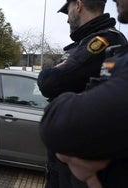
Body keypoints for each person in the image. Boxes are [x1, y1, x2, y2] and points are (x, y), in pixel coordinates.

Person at [37, 0, 127, 187]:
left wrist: (51, 71)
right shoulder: (82, 43)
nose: (67, 20)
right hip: (67, 168)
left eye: (68, 11)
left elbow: (49, 82)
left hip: (81, 174)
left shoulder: (104, 39)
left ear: (78, 5)